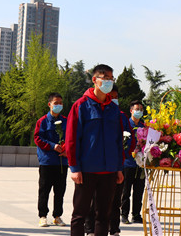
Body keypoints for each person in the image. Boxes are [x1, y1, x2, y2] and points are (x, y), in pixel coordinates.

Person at [66, 64, 124, 236]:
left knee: (104, 216)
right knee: (79, 215)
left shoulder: (114, 109)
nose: (108, 82)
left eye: (111, 79)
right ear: (94, 80)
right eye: (105, 78)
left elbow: (118, 141)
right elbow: (71, 139)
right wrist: (75, 168)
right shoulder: (81, 106)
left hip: (109, 170)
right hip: (87, 170)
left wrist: (119, 168)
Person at [84, 86, 132, 236]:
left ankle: (115, 228)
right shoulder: (90, 109)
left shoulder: (120, 114)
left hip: (116, 164)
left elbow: (130, 138)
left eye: (115, 96)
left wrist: (124, 153)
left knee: (116, 199)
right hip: (96, 164)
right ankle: (90, 228)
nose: (113, 98)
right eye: (110, 95)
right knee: (94, 200)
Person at [34, 92, 69, 227]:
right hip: (47, 161)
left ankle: (57, 216)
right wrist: (53, 146)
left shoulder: (66, 121)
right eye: (56, 103)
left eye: (60, 103)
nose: (58, 105)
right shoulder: (42, 121)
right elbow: (38, 138)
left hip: (62, 162)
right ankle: (43, 215)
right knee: (44, 189)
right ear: (49, 104)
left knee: (60, 190)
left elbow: (71, 137)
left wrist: (65, 149)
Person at [120, 100, 146, 225]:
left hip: (140, 164)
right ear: (131, 111)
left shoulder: (144, 126)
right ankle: (124, 214)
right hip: (128, 163)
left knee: (139, 190)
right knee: (126, 191)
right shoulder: (126, 125)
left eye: (141, 109)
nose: (139, 112)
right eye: (137, 109)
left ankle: (136, 214)